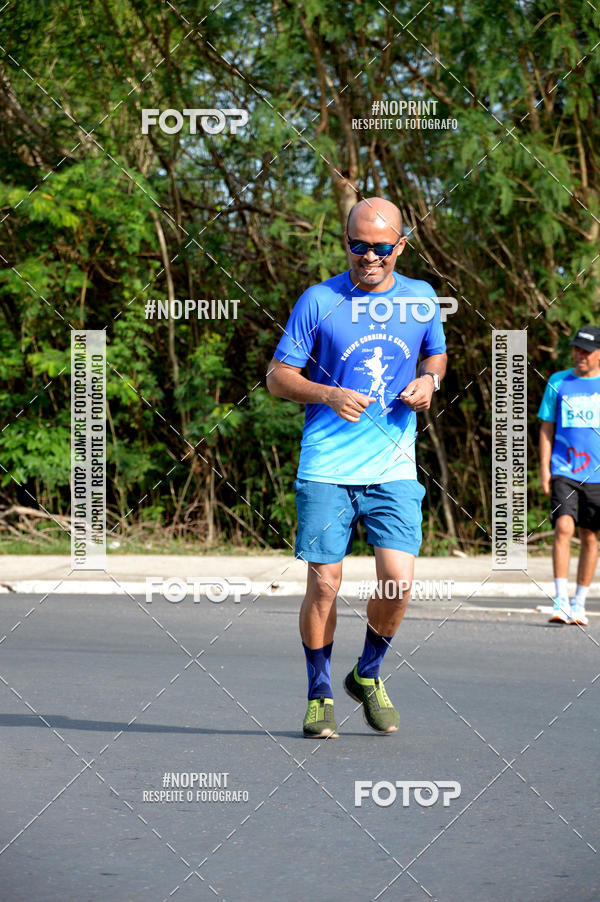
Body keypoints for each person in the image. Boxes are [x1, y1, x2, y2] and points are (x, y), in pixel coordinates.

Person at [266, 197, 447, 737]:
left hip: (393, 466)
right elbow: (278, 377)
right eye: (358, 245)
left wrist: (430, 382)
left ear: (401, 246)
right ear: (345, 242)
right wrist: (325, 393)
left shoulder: (421, 299)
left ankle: (367, 673)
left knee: (398, 584)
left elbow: (434, 353)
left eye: (381, 248)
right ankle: (319, 692)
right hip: (326, 466)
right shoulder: (319, 300)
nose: (369, 256)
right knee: (324, 586)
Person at [538, 325, 600, 626]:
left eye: (586, 351)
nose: (580, 355)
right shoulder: (558, 382)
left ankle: (579, 602)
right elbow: (547, 428)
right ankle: (560, 600)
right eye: (576, 349)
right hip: (565, 469)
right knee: (564, 527)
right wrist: (544, 469)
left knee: (590, 535)